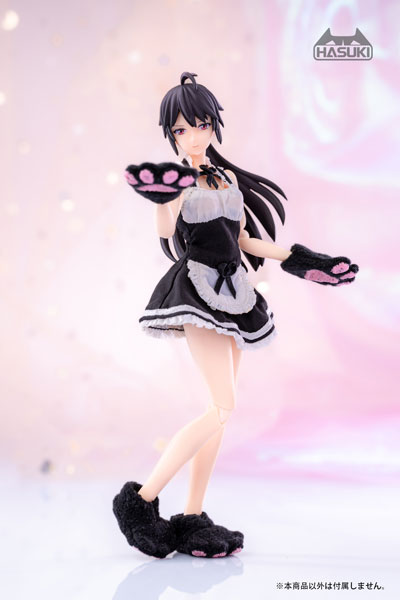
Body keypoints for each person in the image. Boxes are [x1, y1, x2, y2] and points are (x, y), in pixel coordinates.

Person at [113, 72, 359, 560]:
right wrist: (161, 198)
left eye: (200, 124)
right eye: (181, 129)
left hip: (235, 292)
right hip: (197, 290)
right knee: (222, 407)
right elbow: (165, 228)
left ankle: (191, 517)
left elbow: (244, 240)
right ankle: (139, 502)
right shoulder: (177, 179)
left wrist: (305, 261)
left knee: (220, 412)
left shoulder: (225, 179)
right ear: (171, 134)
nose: (193, 135)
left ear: (213, 125)